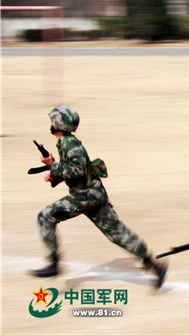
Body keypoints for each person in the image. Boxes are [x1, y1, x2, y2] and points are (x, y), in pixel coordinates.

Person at [31, 106, 167, 288]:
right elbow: (74, 169)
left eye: (52, 121)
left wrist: (53, 169)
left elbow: (77, 170)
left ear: (58, 124)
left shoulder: (69, 143)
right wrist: (53, 165)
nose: (50, 124)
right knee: (118, 233)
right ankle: (154, 265)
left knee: (45, 216)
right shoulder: (67, 142)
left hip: (83, 197)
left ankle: (54, 264)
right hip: (94, 194)